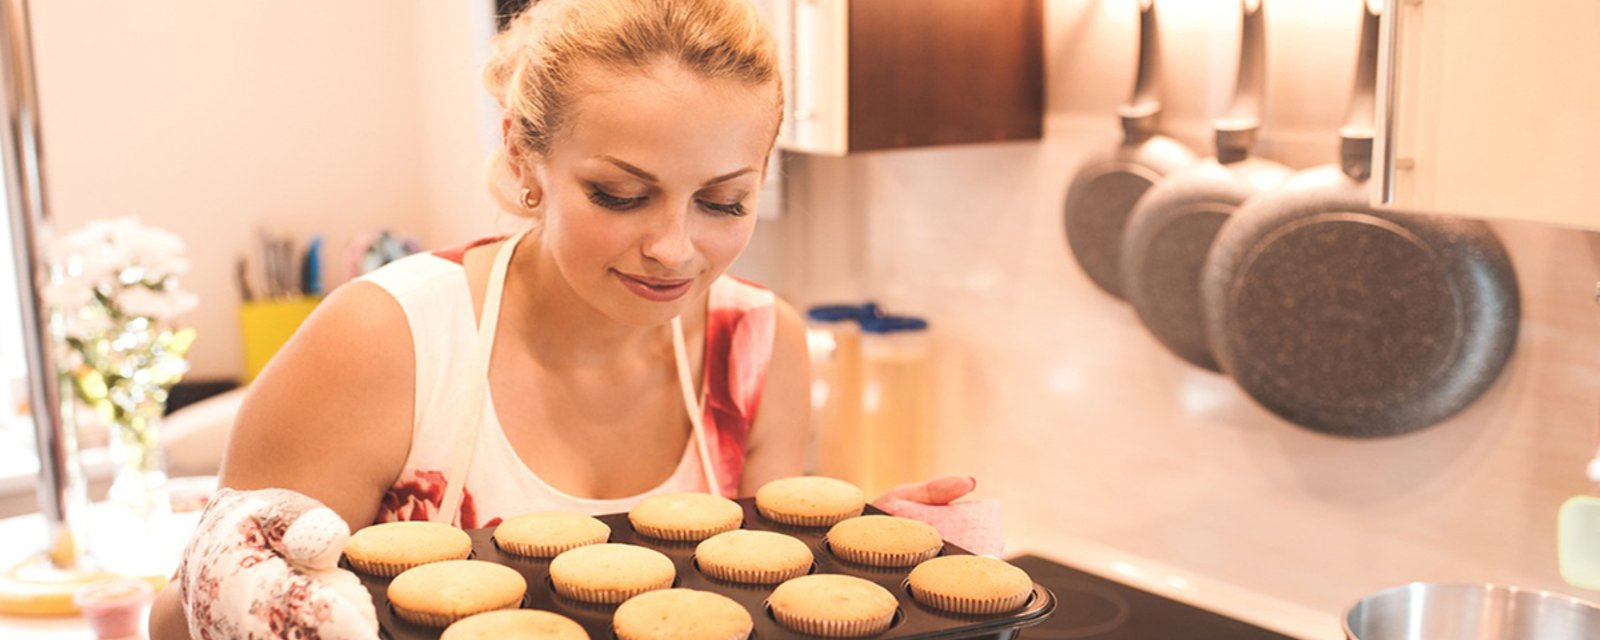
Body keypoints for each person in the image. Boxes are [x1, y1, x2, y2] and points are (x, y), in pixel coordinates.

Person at [148, 0, 975, 637]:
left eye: (724, 200)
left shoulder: (758, 344)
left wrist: (860, 561)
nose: (674, 249)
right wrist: (232, 588)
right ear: (521, 156)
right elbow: (173, 622)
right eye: (620, 194)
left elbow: (754, 601)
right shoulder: (385, 343)